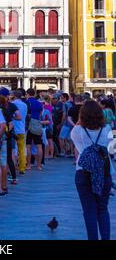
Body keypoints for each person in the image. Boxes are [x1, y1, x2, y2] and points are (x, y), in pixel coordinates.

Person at [71, 100, 113, 241]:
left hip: (83, 172)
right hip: (104, 172)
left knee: (89, 210)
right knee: (102, 208)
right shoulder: (107, 129)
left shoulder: (77, 131)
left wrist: (80, 120)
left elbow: (76, 143)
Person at [25, 89, 43, 171]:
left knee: (28, 146)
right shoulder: (39, 103)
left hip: (29, 124)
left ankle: (28, 165)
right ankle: (39, 165)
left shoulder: (27, 102)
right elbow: (40, 114)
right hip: (37, 124)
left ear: (27, 94)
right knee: (39, 145)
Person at [10, 90, 27, 175]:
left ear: (14, 95)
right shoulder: (25, 105)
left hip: (14, 129)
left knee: (14, 149)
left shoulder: (13, 104)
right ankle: (22, 168)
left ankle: (14, 166)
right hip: (22, 128)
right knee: (22, 149)